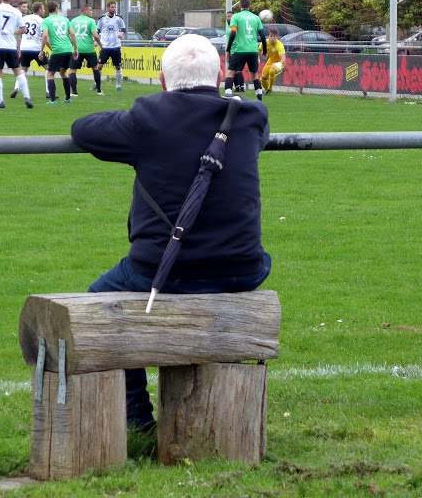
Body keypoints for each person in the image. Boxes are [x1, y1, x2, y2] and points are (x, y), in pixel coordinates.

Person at [70, 34, 271, 432]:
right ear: (218, 75)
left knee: (97, 301)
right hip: (242, 268)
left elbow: (84, 128)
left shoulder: (147, 117)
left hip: (160, 270)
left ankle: (136, 417)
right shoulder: (250, 117)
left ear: (162, 81)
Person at [224, 0, 267, 101]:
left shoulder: (236, 17)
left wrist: (228, 50)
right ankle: (260, 100)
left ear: (239, 5)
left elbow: (233, 34)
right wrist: (265, 51)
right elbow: (262, 35)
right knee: (255, 76)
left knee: (230, 73)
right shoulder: (256, 18)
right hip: (253, 50)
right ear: (250, 6)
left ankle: (228, 98)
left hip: (240, 49)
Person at [39, 0, 78, 104]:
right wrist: (75, 48)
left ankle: (52, 100)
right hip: (68, 49)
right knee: (63, 72)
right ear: (57, 8)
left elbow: (45, 35)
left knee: (50, 73)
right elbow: (73, 34)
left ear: (48, 9)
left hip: (57, 50)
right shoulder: (65, 20)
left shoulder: (46, 21)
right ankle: (68, 98)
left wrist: (41, 50)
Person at [9, 1, 51, 100]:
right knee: (48, 68)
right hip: (36, 48)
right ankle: (48, 91)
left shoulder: (24, 18)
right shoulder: (42, 21)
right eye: (43, 9)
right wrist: (50, 48)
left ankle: (16, 88)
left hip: (25, 47)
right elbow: (44, 37)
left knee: (23, 69)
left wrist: (19, 48)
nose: (44, 10)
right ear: (40, 10)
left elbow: (18, 33)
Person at [69, 5, 102, 96]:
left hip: (77, 49)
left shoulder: (73, 20)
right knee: (95, 68)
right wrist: (99, 43)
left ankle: (74, 92)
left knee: (72, 70)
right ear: (86, 11)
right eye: (91, 10)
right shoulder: (91, 21)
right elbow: (95, 35)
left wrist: (73, 45)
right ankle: (99, 91)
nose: (92, 12)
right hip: (89, 49)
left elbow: (71, 35)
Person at [95, 0, 126, 92]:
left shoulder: (119, 18)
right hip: (105, 46)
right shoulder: (102, 18)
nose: (114, 9)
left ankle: (118, 85)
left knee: (117, 66)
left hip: (116, 46)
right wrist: (96, 41)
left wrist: (122, 33)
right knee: (99, 66)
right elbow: (97, 31)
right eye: (112, 7)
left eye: (115, 7)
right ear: (108, 8)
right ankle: (98, 84)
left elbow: (124, 29)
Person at [261, 27, 286, 95]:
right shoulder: (265, 42)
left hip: (279, 62)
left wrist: (279, 64)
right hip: (270, 61)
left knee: (272, 71)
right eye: (271, 36)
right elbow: (259, 50)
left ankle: (269, 88)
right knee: (263, 79)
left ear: (277, 37)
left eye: (274, 36)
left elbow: (283, 58)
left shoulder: (279, 45)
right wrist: (261, 54)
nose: (272, 38)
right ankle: (267, 91)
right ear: (268, 36)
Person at [225, 10, 244, 93]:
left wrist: (230, 50)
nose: (230, 18)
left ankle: (241, 87)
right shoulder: (228, 26)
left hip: (236, 49)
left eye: (231, 16)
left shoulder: (235, 26)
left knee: (235, 69)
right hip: (231, 49)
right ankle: (237, 87)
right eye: (228, 16)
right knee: (234, 69)